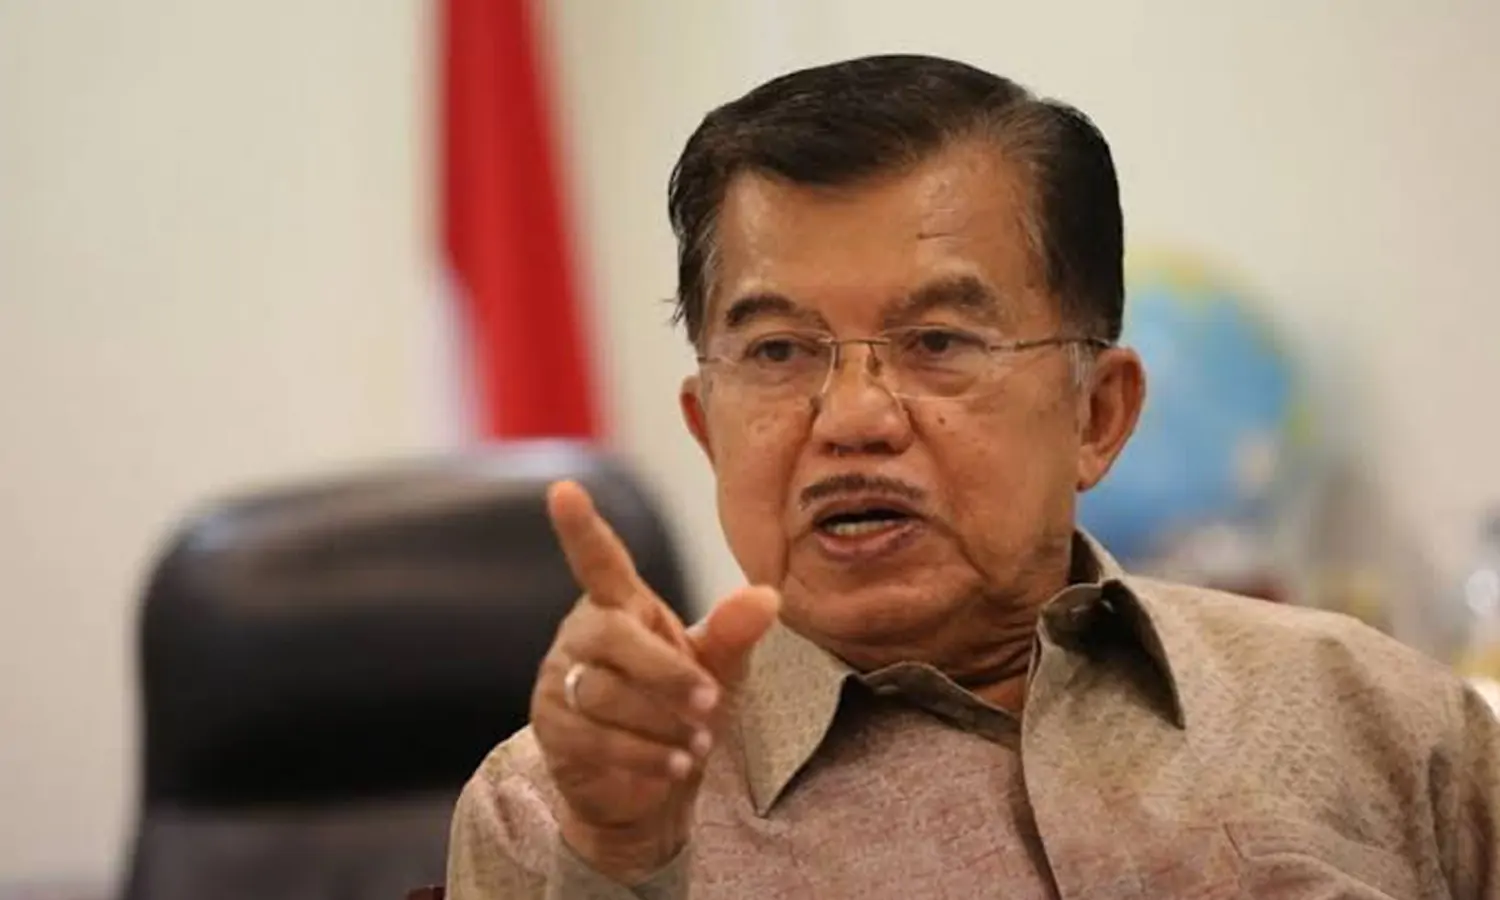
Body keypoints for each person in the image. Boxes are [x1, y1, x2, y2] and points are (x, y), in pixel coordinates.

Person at [446, 54, 1500, 898]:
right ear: (708, 431)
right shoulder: (566, 810)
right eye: (778, 351)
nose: (853, 418)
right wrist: (621, 869)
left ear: (1097, 414)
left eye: (939, 341)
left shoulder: (1379, 720)